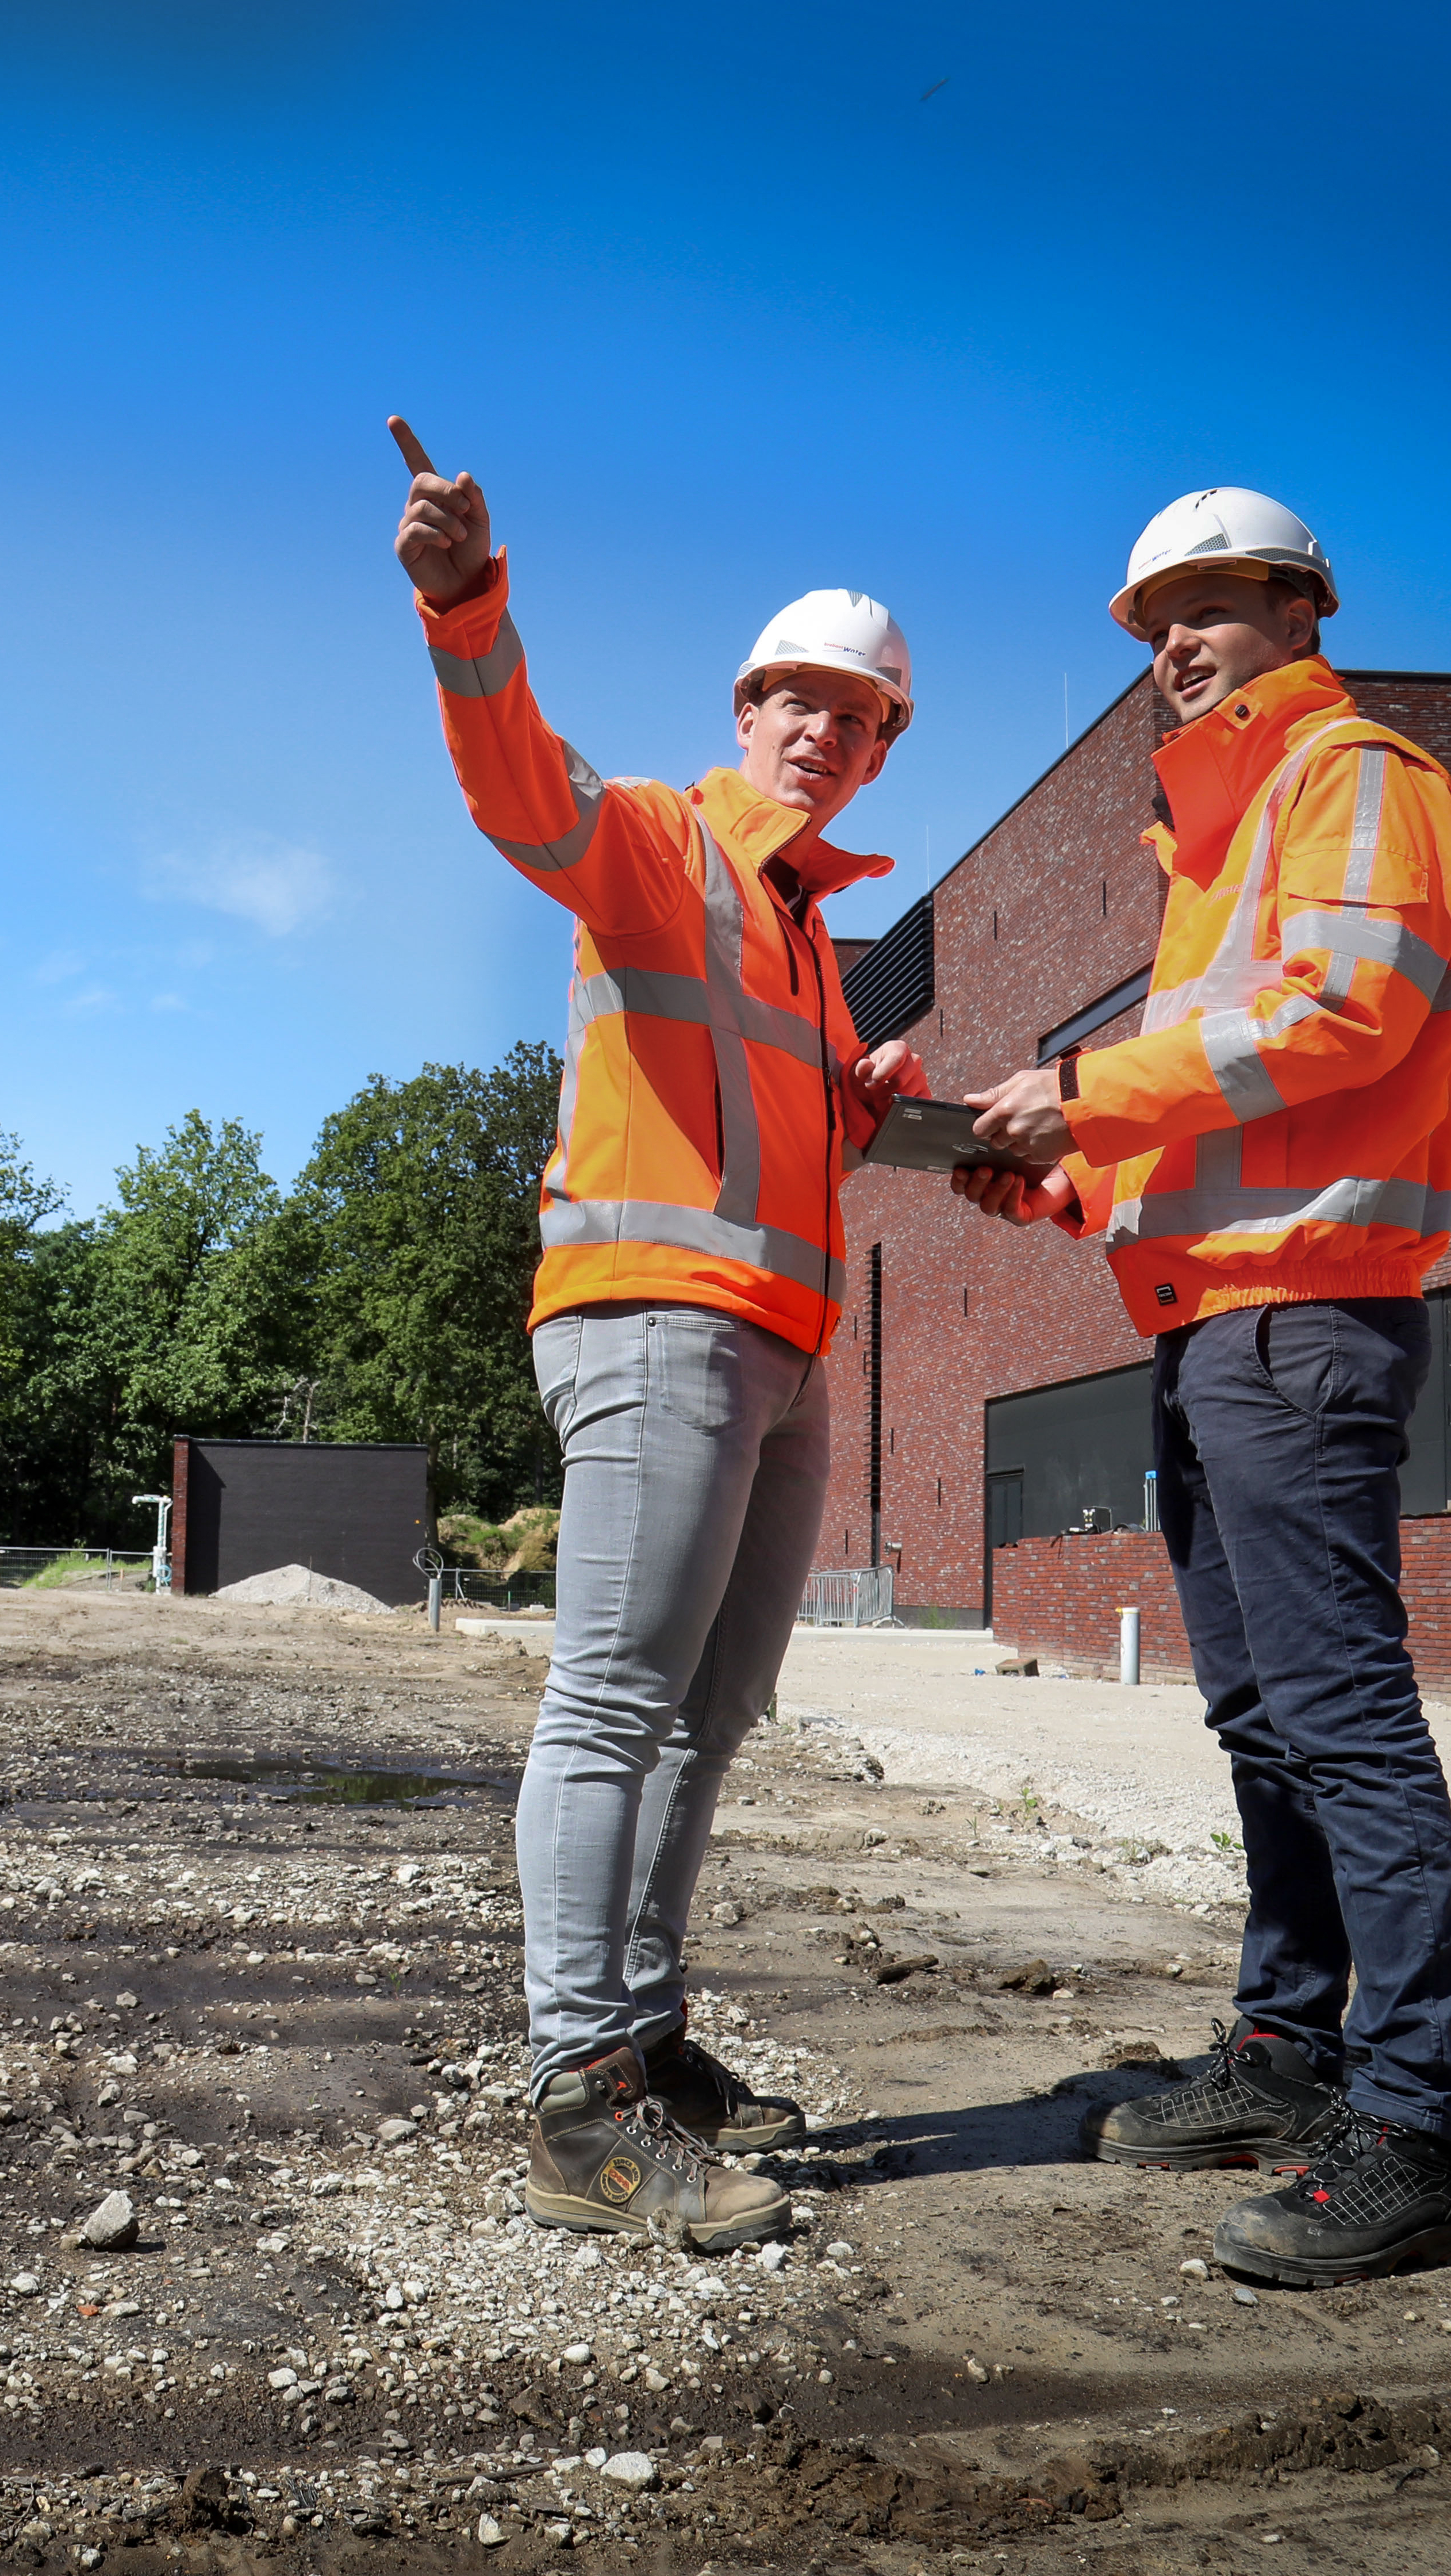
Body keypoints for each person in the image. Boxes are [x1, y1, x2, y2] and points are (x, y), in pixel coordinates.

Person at [389, 417, 923, 2253]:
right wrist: (471, 606)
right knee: (616, 1705)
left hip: (779, 1353)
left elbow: (800, 1117)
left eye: (860, 719)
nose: (825, 736)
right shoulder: (665, 845)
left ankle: (649, 2034)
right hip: (653, 1326)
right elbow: (520, 790)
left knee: (712, 1715)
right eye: (802, 702)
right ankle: (577, 2093)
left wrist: (890, 1107)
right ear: (749, 702)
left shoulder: (809, 934)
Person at [955, 487, 1451, 2284]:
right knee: (1264, 1720)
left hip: (1306, 1315)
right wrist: (1067, 1172)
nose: (1171, 644)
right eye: (1151, 621)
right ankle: (1287, 2051)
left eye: (1204, 608)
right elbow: (1228, 1096)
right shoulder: (1222, 832)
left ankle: (1413, 2128)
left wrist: (1092, 1093)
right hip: (1215, 1320)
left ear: (1300, 606)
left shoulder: (1359, 775)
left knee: (1342, 1719)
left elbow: (1348, 1010)